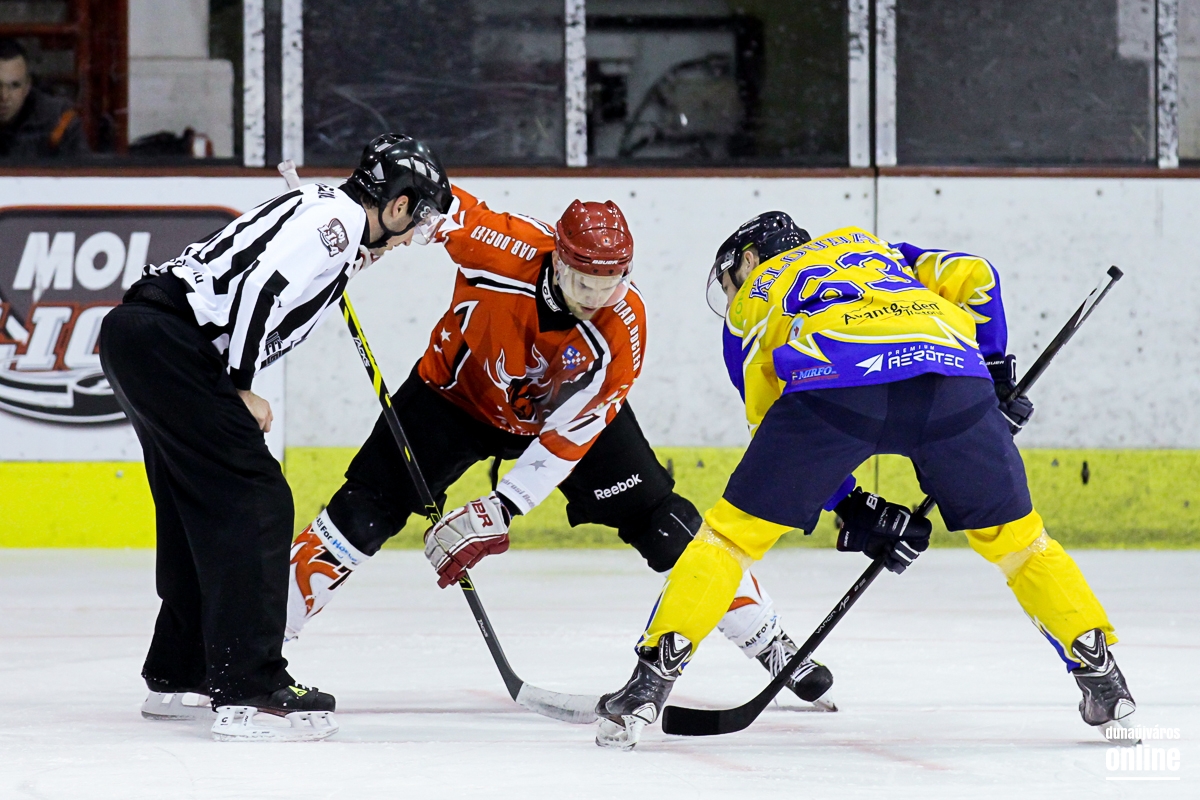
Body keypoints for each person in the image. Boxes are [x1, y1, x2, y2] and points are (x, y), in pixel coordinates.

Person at [594, 212, 1135, 749]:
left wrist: (849, 504)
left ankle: (647, 686)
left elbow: (769, 420)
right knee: (1022, 545)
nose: (731, 291)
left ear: (750, 258)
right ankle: (1103, 678)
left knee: (728, 540)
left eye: (730, 276)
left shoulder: (751, 301)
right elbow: (978, 275)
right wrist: (993, 379)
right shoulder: (872, 246)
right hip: (951, 379)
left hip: (835, 388)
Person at [283, 189, 836, 710]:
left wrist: (503, 508)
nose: (596, 299)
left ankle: (770, 641)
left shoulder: (625, 326)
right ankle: (256, 644)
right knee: (362, 512)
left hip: (560, 416)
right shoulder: (502, 245)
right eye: (583, 282)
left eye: (610, 284)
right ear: (557, 260)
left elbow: (574, 433)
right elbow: (429, 202)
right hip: (452, 397)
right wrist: (349, 226)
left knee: (663, 522)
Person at [99, 133, 452, 741]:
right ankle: (249, 686)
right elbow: (262, 289)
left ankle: (182, 671)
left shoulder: (326, 214)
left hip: (141, 337)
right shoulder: (338, 221)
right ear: (397, 206)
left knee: (197, 506)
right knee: (257, 501)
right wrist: (241, 386)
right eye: (415, 222)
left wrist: (348, 262)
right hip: (173, 344)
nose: (409, 239)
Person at [0, 38, 88, 159]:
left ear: (27, 87)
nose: (4, 96)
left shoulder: (59, 120)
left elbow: (82, 168)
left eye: (15, 85)